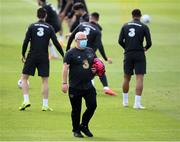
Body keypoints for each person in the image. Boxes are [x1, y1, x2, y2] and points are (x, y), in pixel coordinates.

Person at [19, 8, 64, 111]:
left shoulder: (31, 26)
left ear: (37, 15)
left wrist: (23, 54)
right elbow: (56, 43)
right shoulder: (49, 27)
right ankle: (45, 105)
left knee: (24, 78)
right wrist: (63, 55)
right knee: (45, 81)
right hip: (44, 56)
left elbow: (26, 41)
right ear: (46, 16)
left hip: (32, 55)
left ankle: (26, 100)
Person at [66, 12, 117, 96]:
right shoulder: (97, 30)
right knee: (99, 67)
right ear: (98, 19)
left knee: (79, 69)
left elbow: (72, 36)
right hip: (89, 53)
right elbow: (99, 45)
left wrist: (67, 49)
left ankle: (87, 84)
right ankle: (106, 88)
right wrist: (105, 58)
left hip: (77, 51)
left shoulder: (81, 25)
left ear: (90, 18)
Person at [62, 32, 97, 138]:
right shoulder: (70, 53)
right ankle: (76, 130)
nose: (84, 41)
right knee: (76, 110)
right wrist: (64, 83)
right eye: (81, 39)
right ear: (76, 40)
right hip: (74, 87)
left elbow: (95, 65)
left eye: (85, 39)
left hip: (88, 86)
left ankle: (84, 125)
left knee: (92, 105)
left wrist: (95, 70)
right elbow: (65, 68)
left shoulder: (90, 51)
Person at [118, 9, 152, 109]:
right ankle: (137, 104)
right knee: (139, 78)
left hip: (128, 54)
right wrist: (144, 49)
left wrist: (127, 48)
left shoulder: (125, 25)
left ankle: (125, 102)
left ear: (132, 15)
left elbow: (120, 41)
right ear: (140, 16)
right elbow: (149, 43)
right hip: (139, 54)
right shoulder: (144, 26)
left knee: (126, 77)